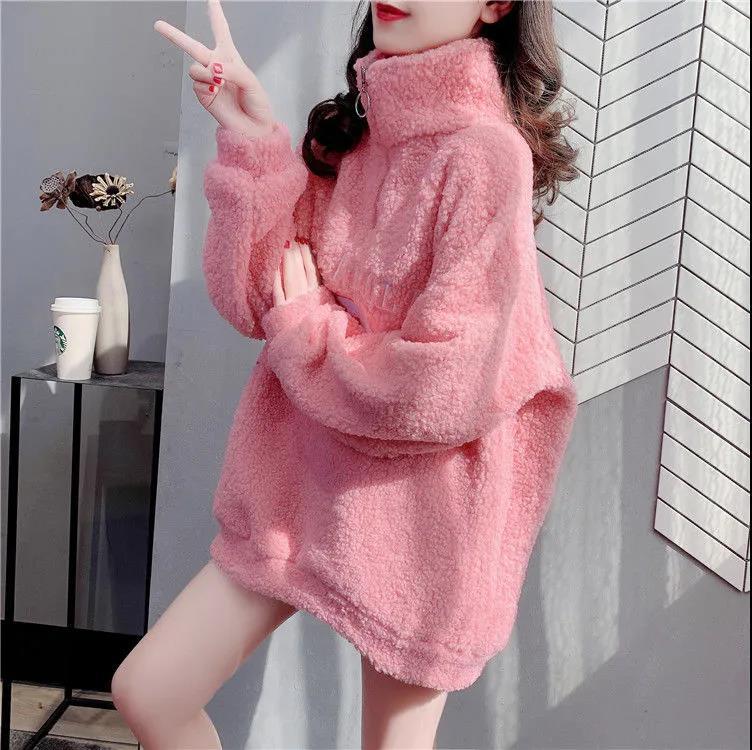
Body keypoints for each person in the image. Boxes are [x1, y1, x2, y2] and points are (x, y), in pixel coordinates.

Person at [112, 1, 579, 747]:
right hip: (300, 489)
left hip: (420, 522)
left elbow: (441, 385)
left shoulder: (486, 156)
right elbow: (256, 297)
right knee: (150, 691)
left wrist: (308, 329)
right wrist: (252, 140)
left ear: (497, 5)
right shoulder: (356, 135)